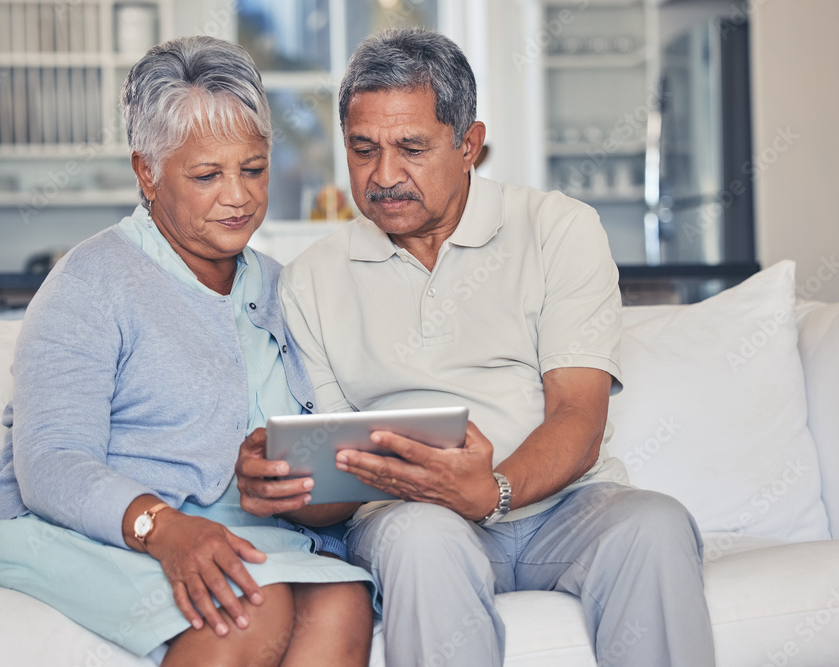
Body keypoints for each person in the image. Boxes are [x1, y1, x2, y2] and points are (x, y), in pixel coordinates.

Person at [250, 27, 715, 667]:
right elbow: (337, 466)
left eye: (411, 148)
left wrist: (492, 490)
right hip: (412, 518)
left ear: (469, 144)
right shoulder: (311, 279)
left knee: (655, 525)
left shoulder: (558, 229)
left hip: (564, 509)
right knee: (421, 539)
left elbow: (579, 419)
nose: (384, 176)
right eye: (363, 150)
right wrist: (289, 484)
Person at [0, 36, 373, 667]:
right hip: (76, 527)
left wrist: (304, 482)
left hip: (243, 531)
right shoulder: (91, 281)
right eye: (207, 174)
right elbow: (50, 464)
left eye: (254, 169)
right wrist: (164, 528)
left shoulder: (281, 289)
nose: (238, 196)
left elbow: (314, 448)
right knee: (247, 608)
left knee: (343, 600)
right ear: (146, 172)